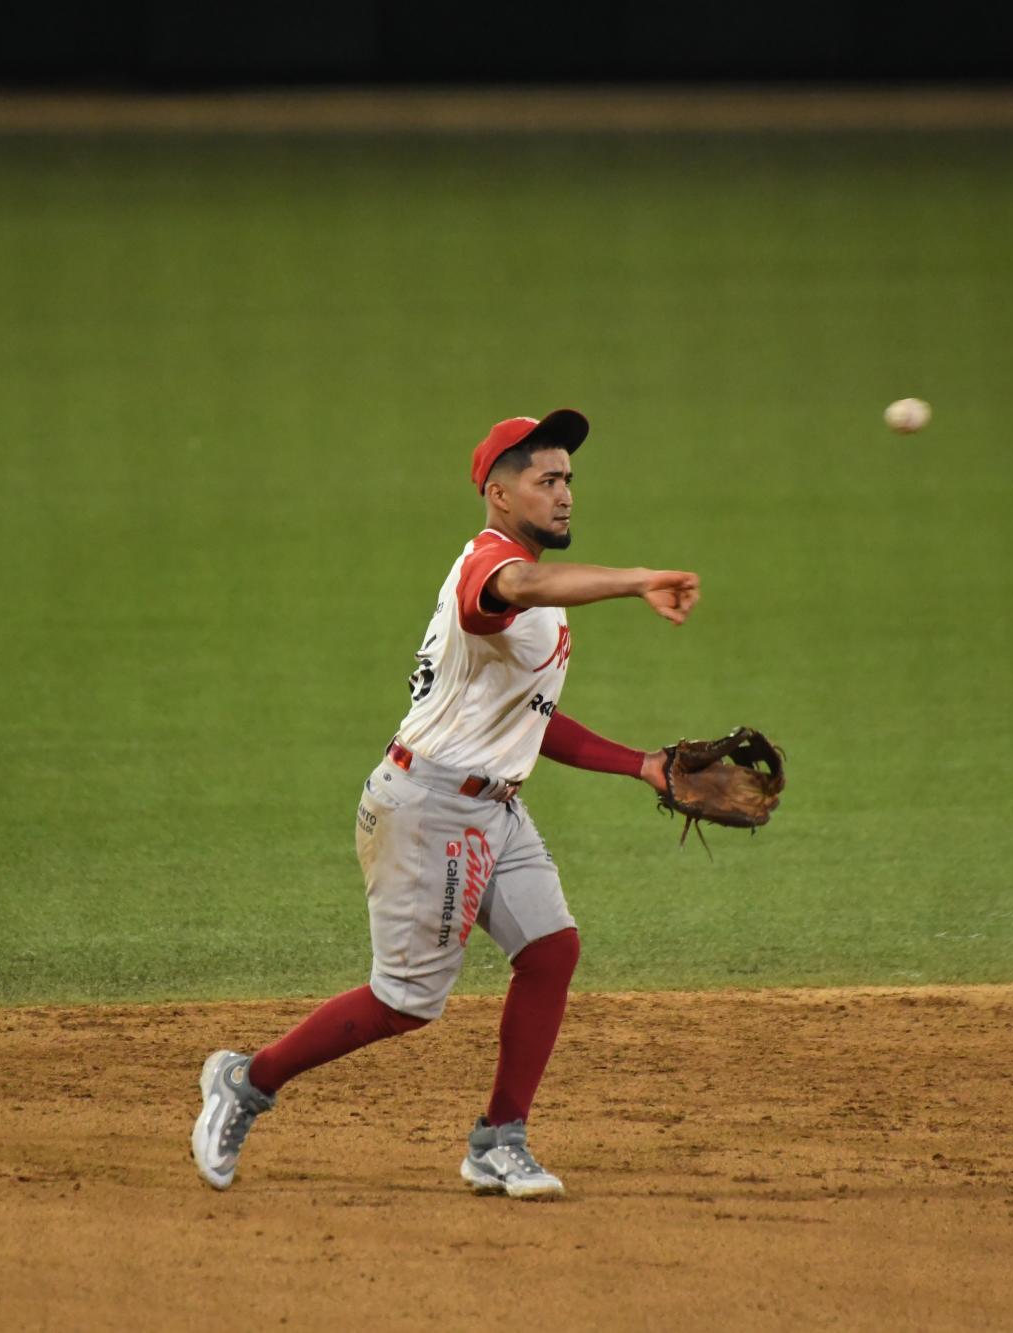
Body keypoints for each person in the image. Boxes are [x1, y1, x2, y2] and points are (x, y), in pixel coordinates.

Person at [192, 410, 699, 1198]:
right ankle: (246, 1079)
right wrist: (637, 580)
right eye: (546, 480)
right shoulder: (491, 569)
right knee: (405, 1002)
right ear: (499, 493)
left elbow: (529, 719)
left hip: (493, 804)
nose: (565, 494)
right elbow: (513, 588)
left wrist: (639, 765)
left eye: (569, 478)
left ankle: (499, 1139)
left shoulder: (540, 588)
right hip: (428, 809)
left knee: (550, 950)